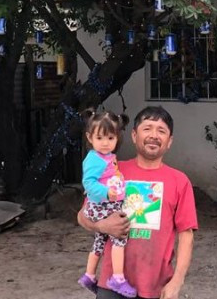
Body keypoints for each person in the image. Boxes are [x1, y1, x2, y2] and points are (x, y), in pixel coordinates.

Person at [77, 106, 197, 299]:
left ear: (170, 141)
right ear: (134, 135)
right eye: (147, 128)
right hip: (111, 284)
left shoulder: (179, 181)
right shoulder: (112, 171)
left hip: (155, 285)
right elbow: (82, 215)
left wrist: (177, 280)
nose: (154, 135)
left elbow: (186, 234)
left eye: (161, 130)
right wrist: (101, 225)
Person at [78, 110, 135, 298]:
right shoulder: (95, 159)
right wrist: (107, 193)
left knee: (100, 241)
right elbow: (88, 183)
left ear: (117, 138)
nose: (105, 142)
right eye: (100, 137)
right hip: (103, 207)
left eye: (110, 138)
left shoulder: (106, 157)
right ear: (89, 137)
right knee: (120, 236)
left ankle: (88, 275)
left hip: (102, 205)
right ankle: (118, 279)